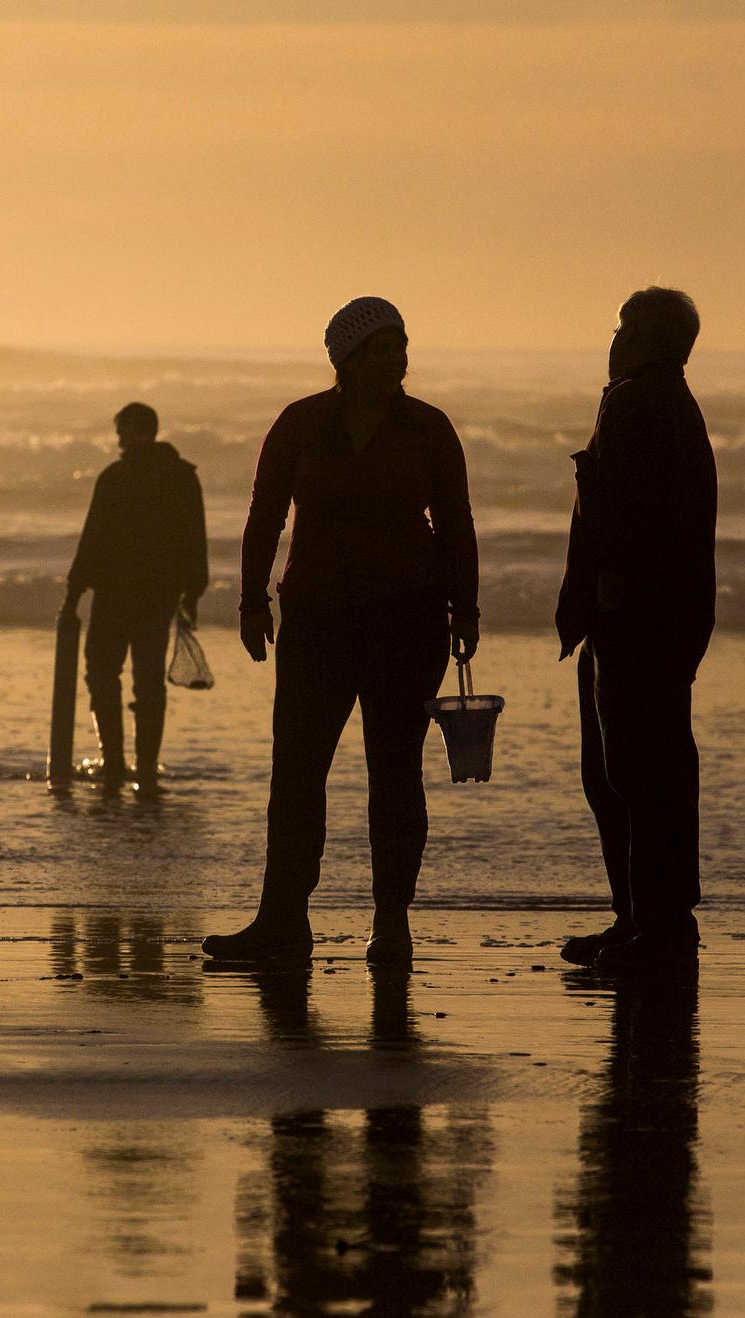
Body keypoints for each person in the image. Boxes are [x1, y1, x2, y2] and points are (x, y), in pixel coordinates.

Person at [203, 297, 479, 966]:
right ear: (346, 359)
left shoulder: (427, 429)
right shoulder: (301, 424)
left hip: (407, 622)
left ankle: (391, 922)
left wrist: (464, 611)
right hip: (316, 620)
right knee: (297, 773)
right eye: (382, 349)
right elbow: (263, 517)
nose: (397, 360)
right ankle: (282, 921)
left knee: (394, 772)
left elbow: (456, 522)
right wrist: (249, 602)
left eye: (401, 347)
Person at [557, 288, 716, 973]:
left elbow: (620, 512)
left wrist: (606, 592)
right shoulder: (670, 403)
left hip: (636, 620)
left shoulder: (633, 402)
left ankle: (659, 927)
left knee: (633, 771)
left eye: (625, 327)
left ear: (651, 339)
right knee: (638, 768)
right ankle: (643, 920)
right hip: (666, 617)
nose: (613, 337)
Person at [61, 402, 209, 788]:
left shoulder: (115, 477)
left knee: (102, 673)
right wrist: (192, 593)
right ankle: (144, 769)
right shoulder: (182, 477)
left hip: (114, 596)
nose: (119, 441)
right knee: (148, 682)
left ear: (132, 432)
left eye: (122, 433)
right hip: (159, 597)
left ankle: (113, 763)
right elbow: (196, 540)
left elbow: (91, 540)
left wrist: (73, 594)